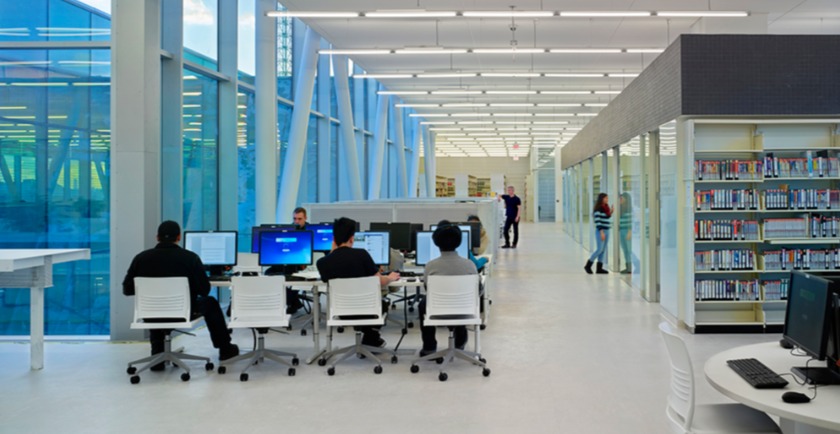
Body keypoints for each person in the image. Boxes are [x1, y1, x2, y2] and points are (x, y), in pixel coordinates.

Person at [122, 221, 239, 369]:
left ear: (157, 237)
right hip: (182, 312)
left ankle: (157, 355)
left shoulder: (140, 258)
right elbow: (205, 290)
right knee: (210, 302)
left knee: (159, 307)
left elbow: (127, 289)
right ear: (178, 237)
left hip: (150, 313)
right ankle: (225, 348)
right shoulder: (190, 258)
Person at [316, 217, 400, 348]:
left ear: (334, 239)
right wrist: (389, 277)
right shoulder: (362, 255)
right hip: (368, 309)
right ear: (351, 238)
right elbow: (379, 281)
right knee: (383, 302)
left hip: (341, 311)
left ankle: (371, 339)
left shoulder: (322, 263)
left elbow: (331, 269)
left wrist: (333, 251)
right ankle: (371, 338)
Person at [418, 221, 479, 357]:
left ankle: (429, 346)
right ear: (459, 242)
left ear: (436, 243)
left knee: (423, 303)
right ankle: (460, 341)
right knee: (461, 300)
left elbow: (428, 288)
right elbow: (476, 289)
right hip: (464, 310)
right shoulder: (469, 265)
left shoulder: (430, 266)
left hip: (437, 310)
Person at [264, 206, 307, 314]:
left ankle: (290, 301)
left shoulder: (309, 231)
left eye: (299, 219)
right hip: (285, 259)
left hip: (299, 262)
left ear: (305, 218)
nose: (296, 221)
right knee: (269, 272)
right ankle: (292, 301)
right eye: (294, 218)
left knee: (291, 274)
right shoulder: (288, 229)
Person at [584, 193, 612, 275]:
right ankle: (588, 265)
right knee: (599, 249)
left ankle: (599, 268)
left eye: (607, 198)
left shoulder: (606, 207)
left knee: (603, 250)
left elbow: (606, 217)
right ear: (601, 199)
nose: (607, 199)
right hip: (601, 231)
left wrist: (611, 212)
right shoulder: (598, 208)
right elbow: (597, 221)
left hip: (607, 230)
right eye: (605, 198)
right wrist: (601, 232)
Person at [618, 192, 640, 274]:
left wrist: (630, 232)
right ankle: (628, 268)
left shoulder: (629, 209)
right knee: (625, 250)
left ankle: (638, 264)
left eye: (622, 198)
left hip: (627, 231)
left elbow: (631, 221)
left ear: (626, 200)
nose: (621, 199)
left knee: (629, 250)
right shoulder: (620, 208)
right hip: (621, 231)